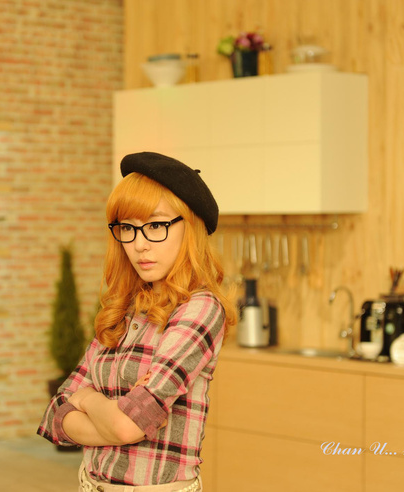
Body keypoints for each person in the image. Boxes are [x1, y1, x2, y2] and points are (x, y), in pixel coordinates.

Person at [37, 151, 237, 491]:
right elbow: (56, 416)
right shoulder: (126, 307)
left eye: (156, 226)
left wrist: (87, 399)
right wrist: (114, 411)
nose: (139, 244)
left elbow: (127, 426)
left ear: (190, 227)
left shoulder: (199, 308)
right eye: (127, 228)